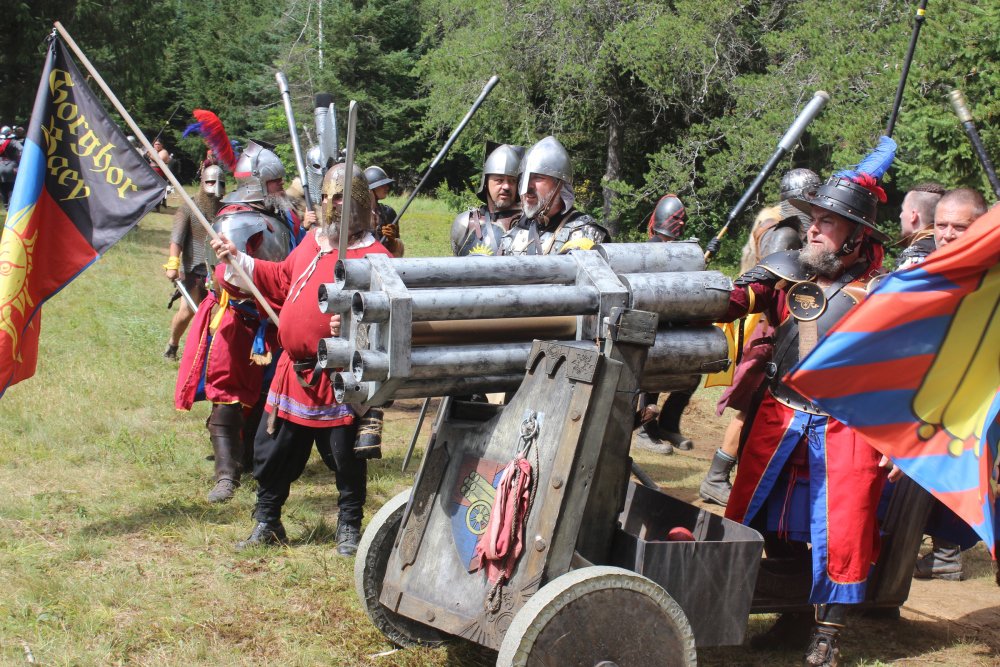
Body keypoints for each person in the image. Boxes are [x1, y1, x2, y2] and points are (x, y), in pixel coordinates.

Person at [718, 171, 891, 666]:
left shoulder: (884, 294)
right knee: (766, 518)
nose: (812, 229)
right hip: (780, 417)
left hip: (847, 427)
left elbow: (907, 372)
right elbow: (732, 302)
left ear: (856, 236)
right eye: (813, 219)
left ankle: (827, 634)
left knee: (843, 530)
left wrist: (898, 440)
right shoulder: (786, 272)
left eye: (827, 223)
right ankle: (793, 614)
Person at [212, 163, 392, 556]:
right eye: (326, 197)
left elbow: (388, 320)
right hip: (292, 374)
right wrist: (237, 259)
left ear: (360, 203)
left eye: (340, 198)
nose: (330, 205)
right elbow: (280, 279)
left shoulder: (375, 257)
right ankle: (268, 522)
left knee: (345, 459)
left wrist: (352, 326)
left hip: (340, 378)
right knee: (273, 451)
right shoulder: (313, 242)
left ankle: (349, 528)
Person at [702, 168, 821, 505]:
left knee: (757, 410)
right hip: (767, 327)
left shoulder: (787, 228)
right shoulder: (783, 233)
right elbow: (768, 283)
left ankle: (733, 479)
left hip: (779, 329)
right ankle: (717, 478)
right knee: (751, 406)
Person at [903, 186, 987, 581]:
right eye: (941, 225)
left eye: (959, 227)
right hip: (917, 392)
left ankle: (947, 551)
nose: (948, 234)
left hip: (970, 399)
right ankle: (899, 552)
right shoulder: (918, 268)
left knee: (958, 470)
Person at [634, 195, 697, 455]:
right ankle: (644, 430)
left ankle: (668, 425)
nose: (679, 224)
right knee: (653, 378)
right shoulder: (649, 250)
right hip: (653, 325)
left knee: (694, 373)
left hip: (674, 323)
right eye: (675, 220)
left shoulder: (681, 251)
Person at [499, 136, 610, 255]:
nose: (528, 187)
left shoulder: (584, 232)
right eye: (525, 178)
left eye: (538, 178)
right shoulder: (516, 230)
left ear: (560, 185)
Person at [162, 165, 225, 360]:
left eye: (220, 183)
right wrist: (173, 264)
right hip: (193, 269)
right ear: (202, 183)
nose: (215, 188)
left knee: (218, 315)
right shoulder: (189, 208)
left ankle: (207, 355)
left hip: (218, 269)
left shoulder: (227, 209)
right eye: (210, 182)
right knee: (186, 312)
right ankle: (173, 344)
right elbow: (177, 239)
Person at [450, 143, 523, 256]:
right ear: (486, 182)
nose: (506, 186)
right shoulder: (465, 223)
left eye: (512, 181)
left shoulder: (527, 224)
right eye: (499, 180)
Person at [895, 182, 945, 269]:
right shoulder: (948, 247)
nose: (900, 215)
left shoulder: (916, 254)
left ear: (913, 215)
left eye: (903, 210)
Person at [365, 165, 404, 257]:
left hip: (385, 258)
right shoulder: (358, 214)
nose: (387, 188)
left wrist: (392, 240)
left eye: (386, 185)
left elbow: (397, 251)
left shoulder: (388, 212)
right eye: (382, 185)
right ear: (371, 189)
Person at [0, 125, 23, 210]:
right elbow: (22, 149)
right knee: (12, 187)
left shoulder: (0, 142)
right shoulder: (13, 142)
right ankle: (11, 206)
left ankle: (6, 206)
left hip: (0, 167)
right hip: (12, 167)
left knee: (3, 188)